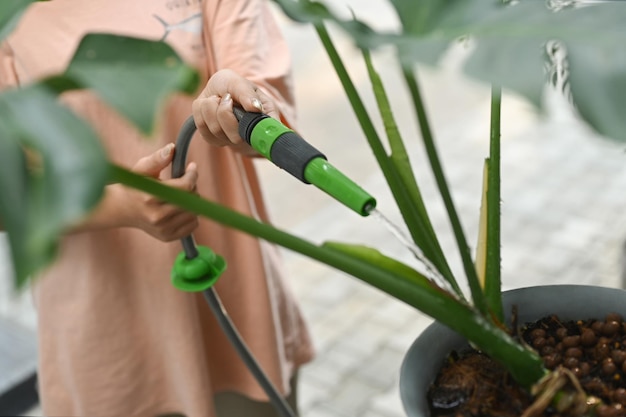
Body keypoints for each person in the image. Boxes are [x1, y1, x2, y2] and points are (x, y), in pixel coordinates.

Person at [0, 0, 315, 416]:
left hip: (236, 305)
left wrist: (240, 111)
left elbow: (267, 101)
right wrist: (119, 206)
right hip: (108, 336)